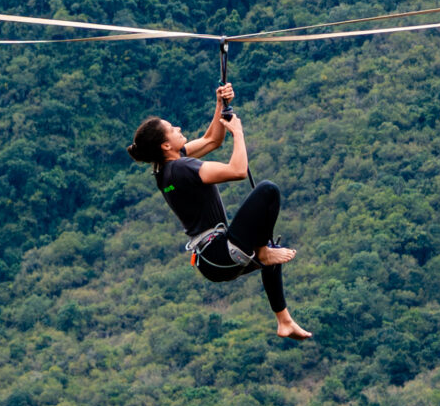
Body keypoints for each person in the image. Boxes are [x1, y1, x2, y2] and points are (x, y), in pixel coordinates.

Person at [128, 85, 312, 340]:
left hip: (211, 263)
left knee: (270, 248)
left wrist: (220, 105)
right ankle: (262, 253)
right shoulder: (182, 168)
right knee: (268, 191)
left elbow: (212, 140)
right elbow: (237, 170)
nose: (178, 128)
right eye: (172, 129)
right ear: (166, 144)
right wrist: (238, 132)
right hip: (221, 251)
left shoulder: (162, 170)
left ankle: (285, 321)